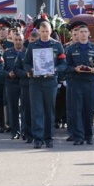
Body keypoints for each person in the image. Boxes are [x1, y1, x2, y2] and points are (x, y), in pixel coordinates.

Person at [24, 20, 67, 148]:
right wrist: (30, 70)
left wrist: (55, 69)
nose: (44, 34)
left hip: (50, 81)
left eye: (47, 31)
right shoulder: (33, 46)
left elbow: (63, 63)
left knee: (49, 110)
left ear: (51, 31)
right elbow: (26, 63)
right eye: (42, 31)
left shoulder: (57, 45)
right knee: (37, 110)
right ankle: (38, 138)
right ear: (38, 31)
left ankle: (48, 138)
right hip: (36, 82)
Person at [66, 21, 94, 145]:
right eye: (81, 32)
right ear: (77, 34)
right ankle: (78, 136)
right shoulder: (71, 49)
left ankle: (89, 135)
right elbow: (65, 66)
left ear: (89, 34)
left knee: (89, 110)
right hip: (76, 83)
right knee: (76, 110)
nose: (83, 34)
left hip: (90, 83)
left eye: (85, 32)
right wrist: (74, 69)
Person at [1, 30, 24, 140]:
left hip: (24, 83)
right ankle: (15, 131)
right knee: (13, 108)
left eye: (20, 40)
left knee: (25, 108)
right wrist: (8, 73)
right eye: (16, 40)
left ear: (23, 40)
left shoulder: (27, 52)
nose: (18, 42)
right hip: (11, 83)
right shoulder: (7, 52)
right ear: (12, 40)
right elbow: (2, 69)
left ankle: (25, 131)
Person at [0, 18, 11, 133]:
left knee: (8, 100)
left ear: (8, 30)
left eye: (4, 29)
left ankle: (9, 123)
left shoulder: (12, 44)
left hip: (9, 76)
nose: (1, 32)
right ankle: (1, 125)